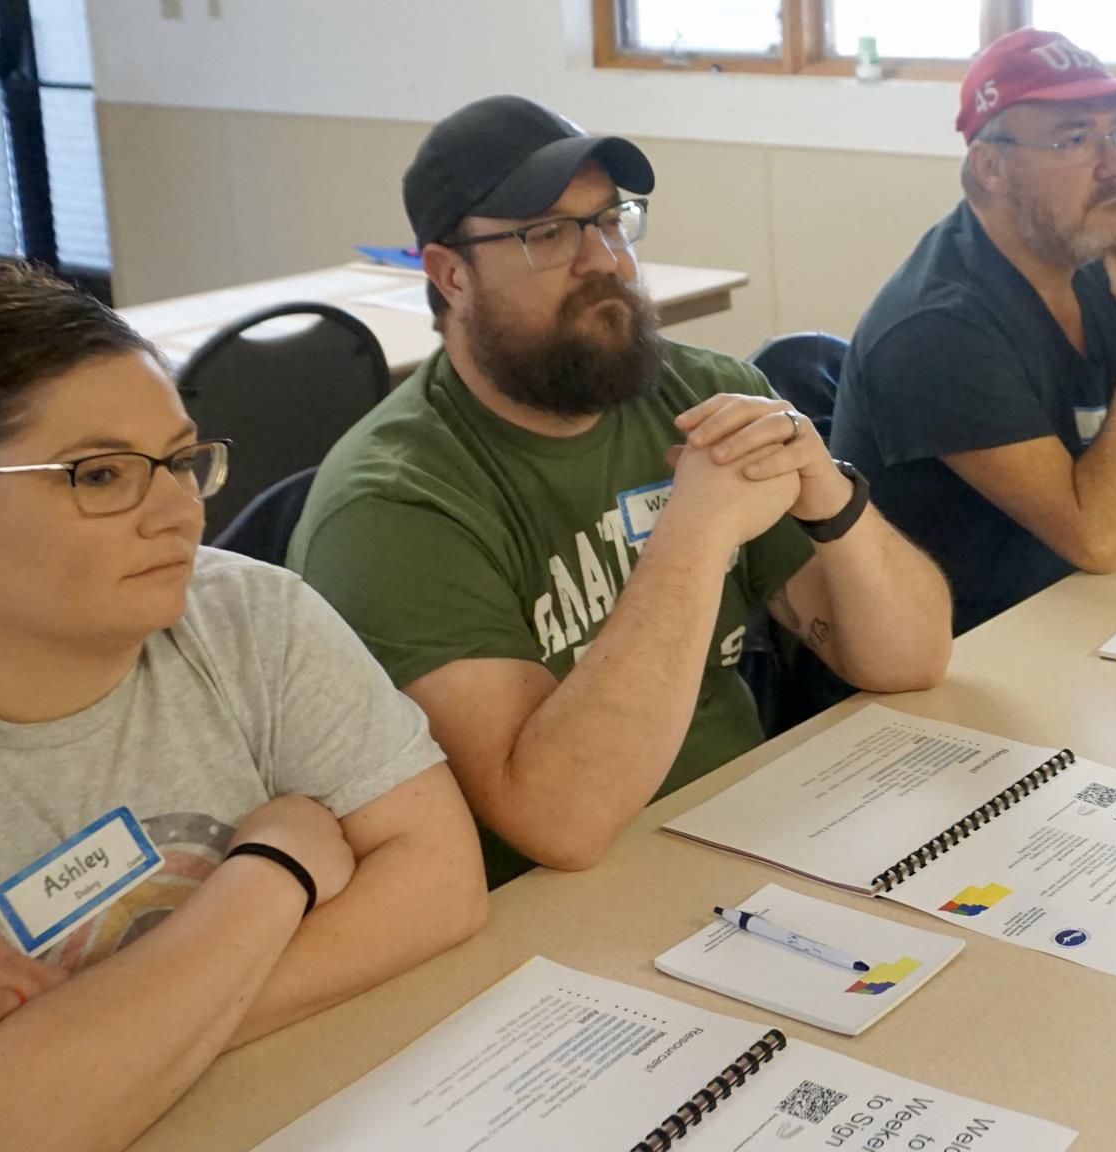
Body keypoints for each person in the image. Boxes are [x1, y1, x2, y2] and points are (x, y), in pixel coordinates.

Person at [0, 261, 486, 1152]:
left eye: (182, 461)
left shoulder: (250, 615)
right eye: (101, 476)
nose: (180, 512)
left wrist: (86, 1033)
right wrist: (275, 868)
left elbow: (441, 883)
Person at [289, 95, 952, 887]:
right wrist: (696, 533)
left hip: (750, 834)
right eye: (547, 234)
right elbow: (558, 824)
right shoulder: (393, 507)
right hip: (560, 915)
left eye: (611, 219)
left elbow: (908, 660)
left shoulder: (701, 392)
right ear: (449, 273)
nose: (604, 259)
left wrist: (830, 496)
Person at [830, 29, 1116, 635]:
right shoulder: (935, 328)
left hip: (1104, 617)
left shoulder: (1097, 261)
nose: (1114, 167)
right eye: (1076, 139)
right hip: (982, 658)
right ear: (991, 168)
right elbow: (1095, 537)